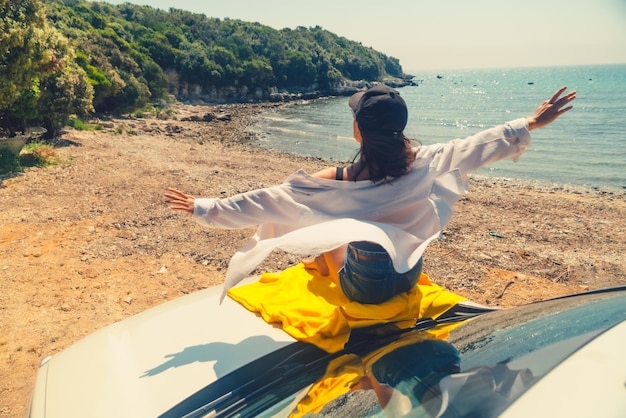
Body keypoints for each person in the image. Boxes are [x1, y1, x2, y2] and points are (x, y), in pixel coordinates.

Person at [165, 85, 576, 303]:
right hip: (407, 277)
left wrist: (205, 207)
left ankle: (332, 273)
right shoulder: (426, 162)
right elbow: (480, 143)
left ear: (358, 130)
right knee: (344, 231)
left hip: (363, 289)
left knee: (325, 234)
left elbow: (268, 200)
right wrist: (531, 122)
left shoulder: (338, 179)